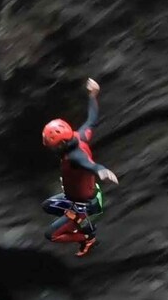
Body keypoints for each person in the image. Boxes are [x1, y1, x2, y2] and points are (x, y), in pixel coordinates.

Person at [41, 78, 118, 257]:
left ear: (60, 145)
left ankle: (86, 236)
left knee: (51, 235)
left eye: (53, 146)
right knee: (47, 206)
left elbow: (87, 164)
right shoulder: (80, 136)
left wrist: (101, 170)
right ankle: (76, 219)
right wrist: (93, 95)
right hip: (79, 196)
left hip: (83, 204)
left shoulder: (74, 156)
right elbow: (91, 120)